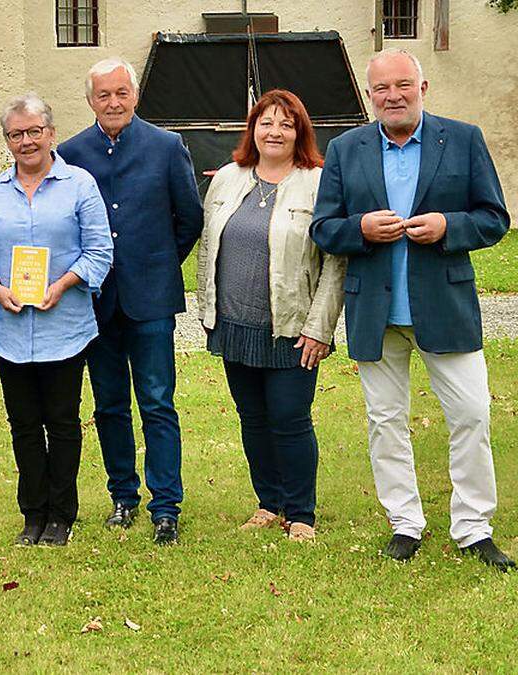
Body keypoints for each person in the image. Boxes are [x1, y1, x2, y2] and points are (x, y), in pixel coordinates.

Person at [310, 49, 512, 569]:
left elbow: (494, 218)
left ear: (423, 89)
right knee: (385, 420)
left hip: (444, 304)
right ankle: (405, 522)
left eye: (403, 85)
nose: (393, 95)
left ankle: (473, 527)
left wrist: (450, 226)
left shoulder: (462, 139)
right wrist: (359, 230)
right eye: (381, 88)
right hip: (375, 310)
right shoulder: (345, 149)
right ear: (369, 94)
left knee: (471, 414)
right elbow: (323, 227)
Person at [57, 58, 203, 545]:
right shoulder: (71, 153)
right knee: (110, 404)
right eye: (104, 95)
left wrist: (159, 264)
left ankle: (166, 505)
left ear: (135, 96)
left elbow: (189, 219)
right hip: (95, 300)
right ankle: (123, 494)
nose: (114, 102)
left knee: (158, 402)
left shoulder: (166, 147)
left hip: (152, 298)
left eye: (121, 93)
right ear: (90, 100)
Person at [197, 89, 346, 541]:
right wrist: (209, 313)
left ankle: (300, 514)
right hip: (235, 324)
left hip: (291, 328)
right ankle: (268, 502)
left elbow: (335, 262)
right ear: (253, 129)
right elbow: (208, 248)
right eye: (266, 122)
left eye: (286, 123)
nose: (275, 131)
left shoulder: (318, 183)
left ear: (300, 131)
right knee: (253, 418)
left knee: (290, 418)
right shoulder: (227, 178)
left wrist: (320, 327)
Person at [0, 94, 111, 546]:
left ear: (51, 133)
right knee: (23, 423)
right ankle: (33, 512)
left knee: (63, 422)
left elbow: (99, 251)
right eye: (16, 134)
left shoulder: (80, 185)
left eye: (34, 132)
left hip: (64, 327)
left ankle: (62, 514)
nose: (26, 141)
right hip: (10, 329)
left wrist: (64, 283)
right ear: (7, 140)